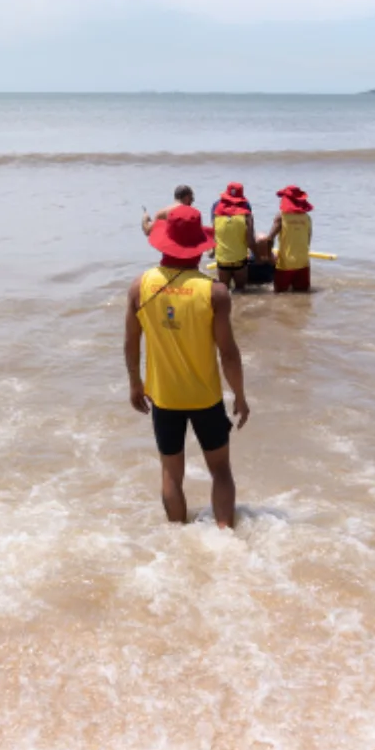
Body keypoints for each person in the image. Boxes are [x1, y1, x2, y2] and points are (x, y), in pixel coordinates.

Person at [124, 204, 250, 529]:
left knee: (170, 473)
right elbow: (229, 353)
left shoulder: (140, 286)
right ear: (199, 247)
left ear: (164, 242)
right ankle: (225, 538)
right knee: (220, 470)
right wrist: (240, 395)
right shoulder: (214, 292)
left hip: (164, 399)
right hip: (205, 398)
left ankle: (177, 540)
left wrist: (135, 384)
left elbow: (130, 343)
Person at [209, 182, 253, 291]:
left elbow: (215, 231)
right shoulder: (246, 206)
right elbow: (249, 238)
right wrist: (257, 256)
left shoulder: (216, 206)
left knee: (224, 290)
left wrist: (213, 251)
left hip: (222, 258)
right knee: (240, 291)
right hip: (239, 258)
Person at [270, 185, 314, 293]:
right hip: (303, 263)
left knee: (279, 295)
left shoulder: (281, 216)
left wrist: (269, 257)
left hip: (285, 264)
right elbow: (308, 240)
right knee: (303, 296)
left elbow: (269, 239)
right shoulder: (307, 217)